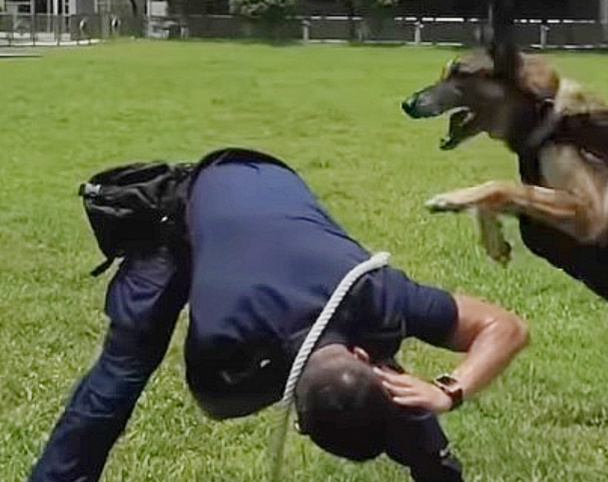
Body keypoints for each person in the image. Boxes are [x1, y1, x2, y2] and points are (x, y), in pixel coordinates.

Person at [28, 148, 529, 482]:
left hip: (268, 178)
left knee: (363, 382)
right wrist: (362, 378)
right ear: (300, 428)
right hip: (183, 209)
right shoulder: (229, 331)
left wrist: (447, 390)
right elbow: (214, 403)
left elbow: (505, 328)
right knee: (123, 366)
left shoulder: (377, 292)